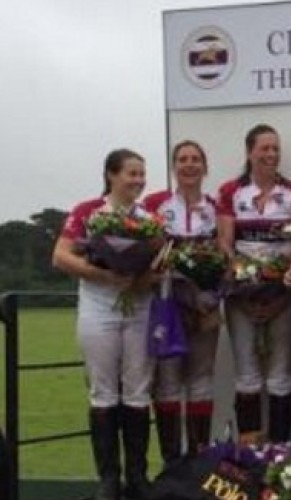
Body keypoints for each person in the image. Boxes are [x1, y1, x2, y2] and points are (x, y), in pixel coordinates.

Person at [52, 149, 159, 500]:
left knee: (138, 390)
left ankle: (138, 477)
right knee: (103, 392)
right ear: (111, 175)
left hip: (138, 308)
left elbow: (158, 263)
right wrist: (102, 274)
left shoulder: (149, 218)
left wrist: (140, 279)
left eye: (142, 173)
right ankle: (108, 480)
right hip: (99, 309)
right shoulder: (88, 212)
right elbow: (61, 256)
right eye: (132, 173)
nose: (139, 180)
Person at [217, 124, 291, 445]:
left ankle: (280, 454)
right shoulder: (230, 191)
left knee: (281, 375)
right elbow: (225, 244)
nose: (271, 154)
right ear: (249, 152)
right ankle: (250, 457)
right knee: (247, 375)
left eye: (276, 149)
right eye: (265, 148)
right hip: (242, 295)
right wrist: (242, 287)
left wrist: (285, 288)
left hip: (283, 293)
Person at [143, 140, 222, 466]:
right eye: (182, 159)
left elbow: (224, 255)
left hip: (205, 304)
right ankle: (172, 464)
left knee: (201, 379)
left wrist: (211, 293)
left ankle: (199, 461)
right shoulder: (156, 205)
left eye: (195, 160)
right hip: (166, 304)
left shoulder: (216, 206)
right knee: (168, 383)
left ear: (205, 167)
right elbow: (147, 252)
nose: (189, 165)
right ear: (174, 166)